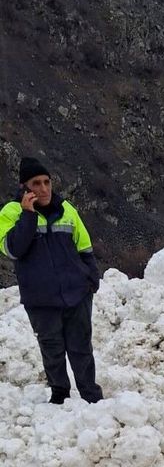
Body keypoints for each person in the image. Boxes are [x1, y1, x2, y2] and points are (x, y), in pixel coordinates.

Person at [0, 157, 103, 404]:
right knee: (52, 349)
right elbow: (14, 249)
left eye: (47, 182)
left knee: (81, 349)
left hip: (76, 292)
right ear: (25, 187)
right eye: (36, 183)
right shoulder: (10, 213)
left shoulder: (67, 210)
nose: (44, 188)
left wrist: (91, 277)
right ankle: (60, 395)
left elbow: (85, 246)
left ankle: (91, 396)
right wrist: (28, 215)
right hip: (40, 298)